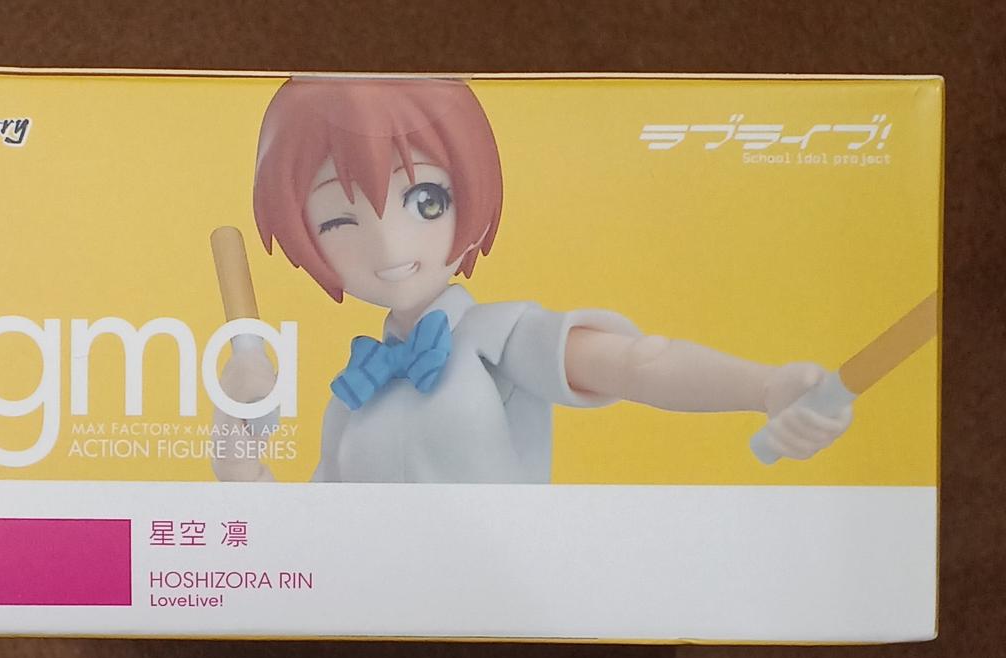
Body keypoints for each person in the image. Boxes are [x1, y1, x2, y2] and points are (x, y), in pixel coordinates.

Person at [212, 77, 851, 483]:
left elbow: (638, 364)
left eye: (426, 201)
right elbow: (302, 541)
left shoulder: (500, 336)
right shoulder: (354, 398)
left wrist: (765, 386)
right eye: (339, 221)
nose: (388, 247)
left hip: (502, 619)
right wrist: (233, 420)